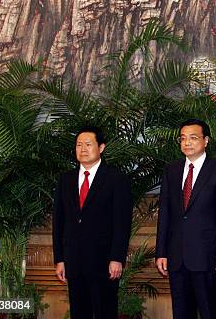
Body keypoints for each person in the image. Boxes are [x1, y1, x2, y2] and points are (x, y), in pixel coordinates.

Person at [155, 118, 216, 319]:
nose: (187, 143)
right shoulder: (171, 170)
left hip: (208, 257)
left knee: (211, 311)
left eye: (193, 138)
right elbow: (165, 213)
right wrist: (161, 252)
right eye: (183, 138)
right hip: (176, 258)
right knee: (181, 313)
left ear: (206, 140)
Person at [52, 126, 132, 319]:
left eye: (88, 144)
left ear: (101, 147)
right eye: (79, 145)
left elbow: (122, 223)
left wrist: (117, 258)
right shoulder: (66, 179)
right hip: (73, 261)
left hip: (104, 262)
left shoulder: (116, 179)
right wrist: (60, 259)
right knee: (79, 313)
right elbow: (58, 222)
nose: (83, 149)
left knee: (105, 312)